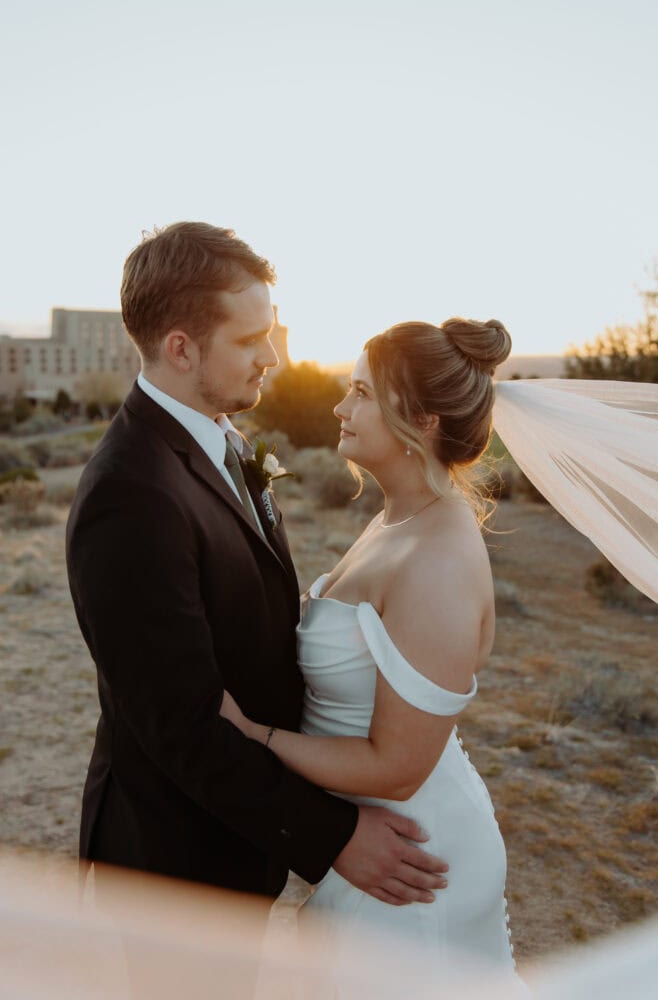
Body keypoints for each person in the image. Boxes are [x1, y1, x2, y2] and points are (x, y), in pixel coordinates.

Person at [65, 222, 448, 997]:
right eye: (250, 340)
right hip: (174, 863)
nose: (271, 356)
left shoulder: (218, 439)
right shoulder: (128, 495)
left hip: (233, 830)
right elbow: (181, 722)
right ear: (180, 348)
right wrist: (334, 837)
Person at [219, 316, 518, 988]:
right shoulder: (395, 518)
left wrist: (254, 735)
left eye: (359, 392)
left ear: (424, 420)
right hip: (371, 839)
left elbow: (397, 767)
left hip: (414, 857)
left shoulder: (438, 554)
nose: (338, 406)